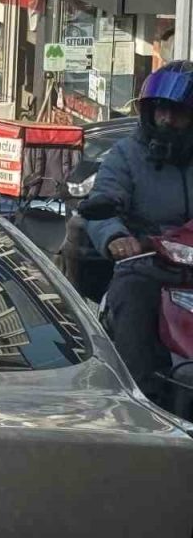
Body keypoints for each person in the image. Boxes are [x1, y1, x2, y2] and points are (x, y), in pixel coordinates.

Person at [83, 61, 193, 397]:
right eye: (160, 110)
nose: (166, 119)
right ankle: (139, 400)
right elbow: (101, 202)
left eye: (177, 112)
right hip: (148, 264)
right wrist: (116, 237)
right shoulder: (126, 154)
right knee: (131, 298)